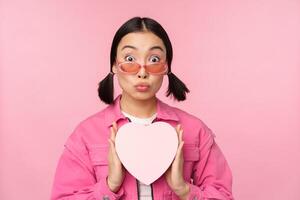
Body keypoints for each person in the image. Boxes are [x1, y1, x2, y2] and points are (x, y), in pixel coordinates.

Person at [50, 16, 234, 200]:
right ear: (114, 65)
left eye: (154, 59)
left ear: (166, 66)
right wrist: (109, 186)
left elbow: (223, 196)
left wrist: (184, 190)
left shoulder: (195, 131)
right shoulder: (85, 135)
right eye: (130, 59)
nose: (142, 72)